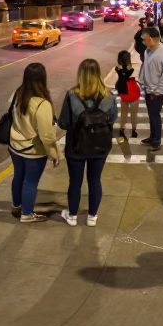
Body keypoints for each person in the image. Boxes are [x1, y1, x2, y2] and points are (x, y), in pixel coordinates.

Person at [57, 59, 117, 226]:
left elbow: (64, 123)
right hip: (100, 146)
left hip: (76, 146)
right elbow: (112, 119)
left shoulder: (71, 95)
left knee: (75, 181)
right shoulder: (109, 96)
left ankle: (73, 216)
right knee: (95, 180)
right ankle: (92, 216)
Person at [7, 63, 60, 223]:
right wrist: (54, 154)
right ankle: (27, 214)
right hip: (32, 151)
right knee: (30, 182)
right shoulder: (42, 104)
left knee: (18, 176)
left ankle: (16, 205)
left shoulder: (17, 94)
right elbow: (47, 135)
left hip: (15, 147)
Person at [139, 26, 163, 151]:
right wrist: (141, 81)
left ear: (152, 39)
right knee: (151, 115)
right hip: (148, 89)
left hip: (157, 91)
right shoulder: (147, 51)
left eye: (145, 38)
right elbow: (145, 67)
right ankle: (152, 136)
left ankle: (157, 140)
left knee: (155, 115)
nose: (143, 40)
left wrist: (158, 91)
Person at [115, 50, 141, 143]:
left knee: (123, 113)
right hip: (133, 91)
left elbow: (121, 72)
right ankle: (134, 131)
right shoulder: (133, 68)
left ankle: (122, 130)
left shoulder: (118, 69)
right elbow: (136, 77)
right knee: (134, 113)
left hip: (123, 92)